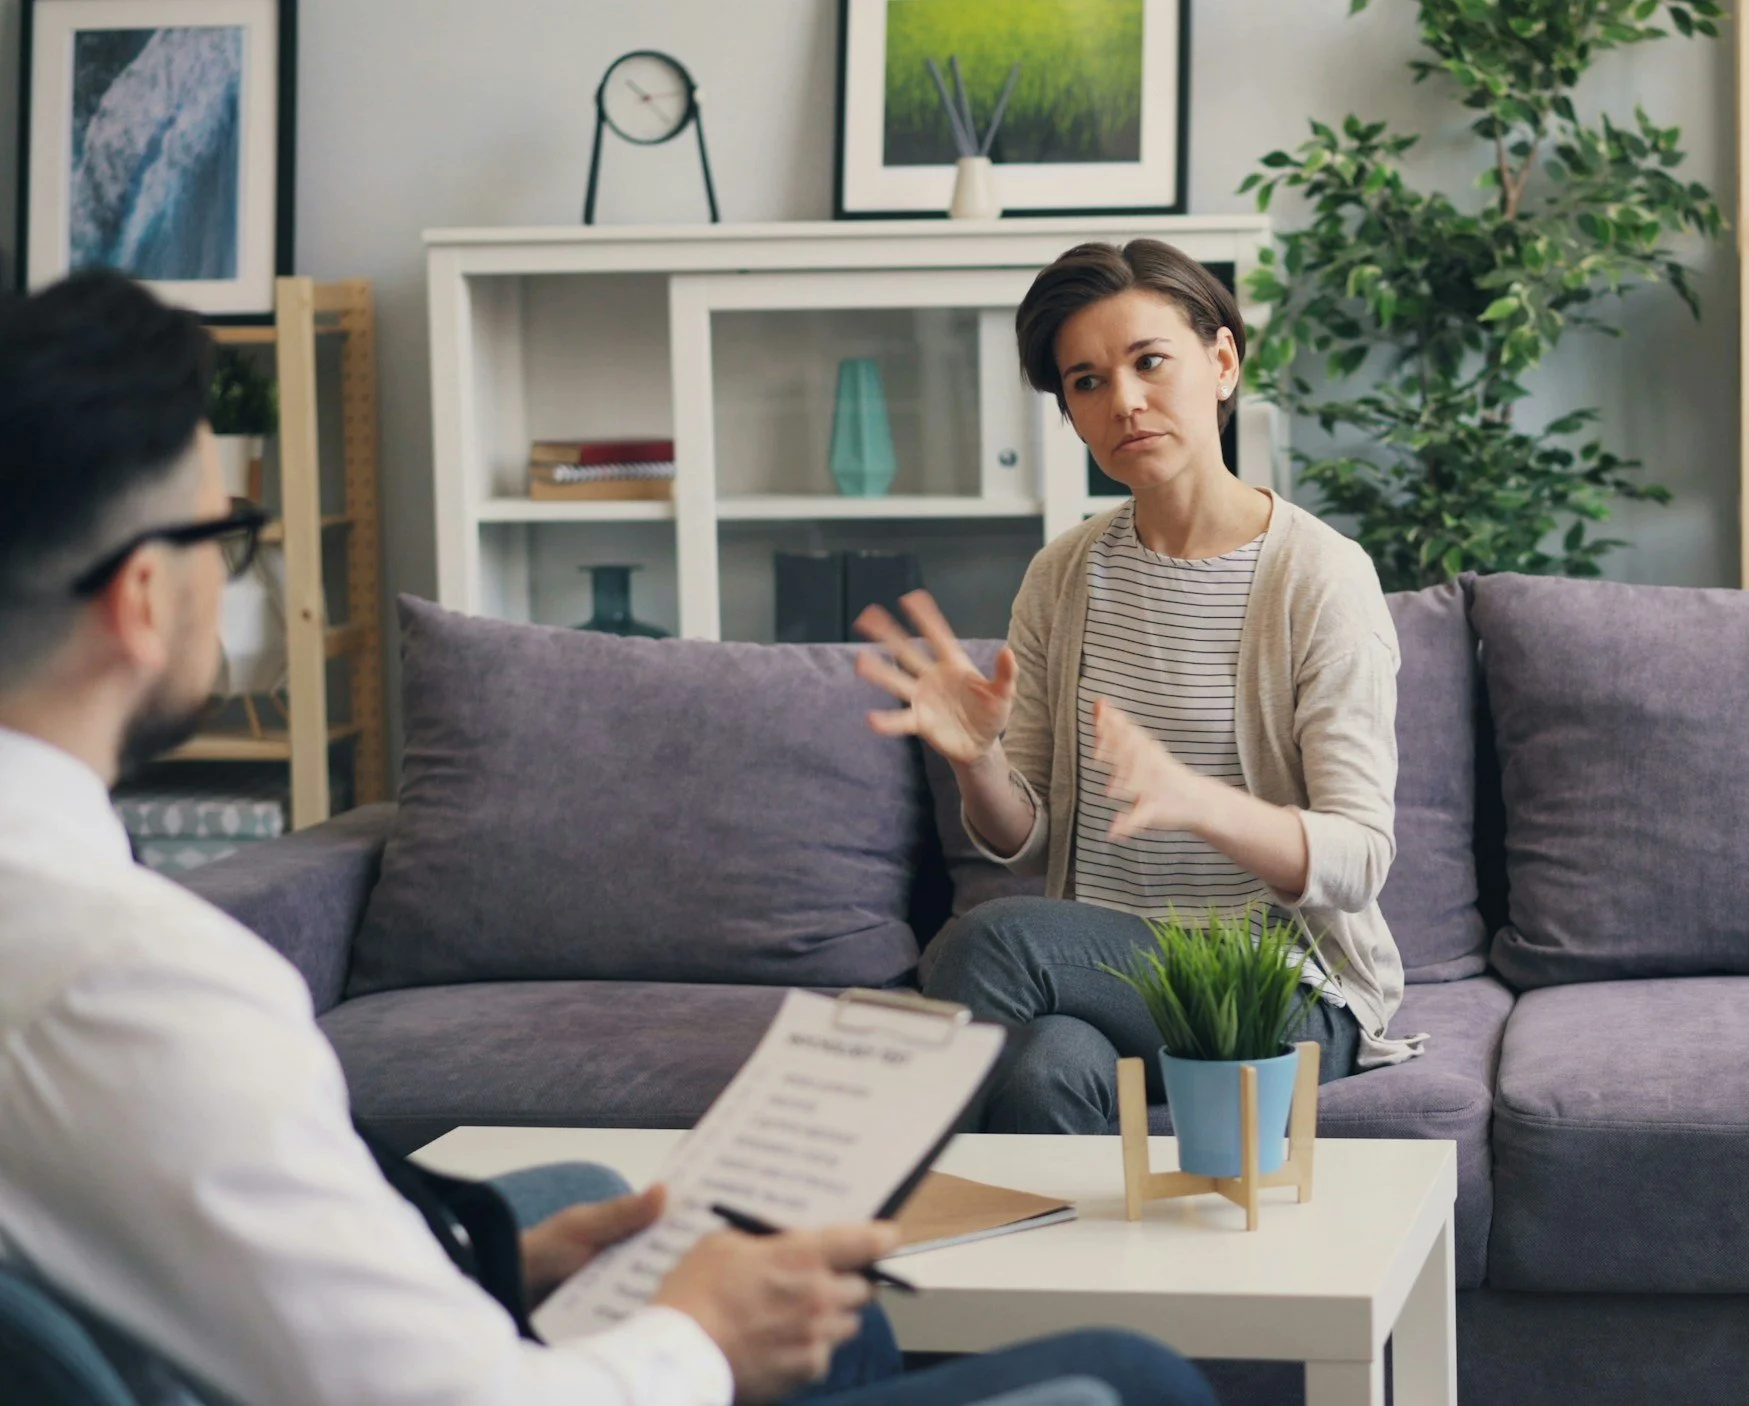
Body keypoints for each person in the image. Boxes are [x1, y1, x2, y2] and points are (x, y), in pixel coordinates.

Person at [0, 269, 1214, 1406]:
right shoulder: (139, 982)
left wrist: (503, 1262)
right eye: (231, 534)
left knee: (750, 1274)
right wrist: (696, 1329)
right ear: (144, 598)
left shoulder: (63, 929)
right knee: (1125, 1368)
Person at [858, 239, 1420, 1137]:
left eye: (1149, 361)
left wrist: (1195, 800)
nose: (1122, 401)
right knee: (1044, 1072)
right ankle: (1072, 1277)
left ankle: (864, 1208)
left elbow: (1358, 860)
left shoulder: (1320, 576)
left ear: (1223, 360)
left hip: (1284, 990)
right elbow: (1027, 838)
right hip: (1112, 981)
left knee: (992, 940)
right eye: (1084, 383)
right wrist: (976, 762)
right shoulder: (1065, 574)